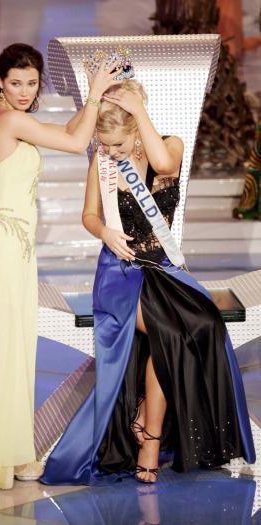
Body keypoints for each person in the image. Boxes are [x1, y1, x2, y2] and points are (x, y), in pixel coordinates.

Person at [0, 42, 120, 493]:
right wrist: (94, 92)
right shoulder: (9, 120)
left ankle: (6, 451)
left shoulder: (19, 121)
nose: (26, 90)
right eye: (17, 83)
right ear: (0, 83)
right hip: (4, 244)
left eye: (32, 83)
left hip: (14, 245)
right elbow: (74, 142)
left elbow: (69, 130)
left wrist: (94, 98)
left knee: (10, 347)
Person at [40, 69, 255, 485]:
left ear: (137, 128)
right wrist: (104, 231)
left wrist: (135, 106)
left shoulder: (169, 145)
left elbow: (162, 164)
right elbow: (88, 214)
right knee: (169, 331)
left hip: (164, 270)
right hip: (121, 274)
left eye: (117, 143)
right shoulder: (102, 163)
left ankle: (148, 422)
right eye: (103, 144)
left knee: (205, 324)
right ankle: (150, 442)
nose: (109, 151)